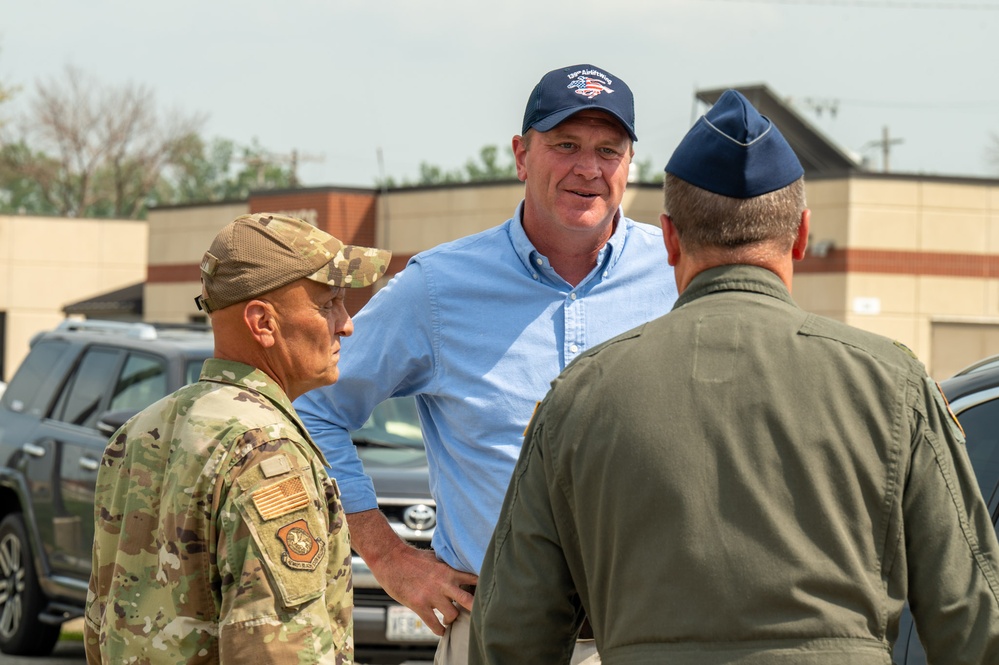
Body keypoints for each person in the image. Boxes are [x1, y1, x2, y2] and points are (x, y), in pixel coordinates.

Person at [469, 90, 999, 664]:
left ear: (669, 239)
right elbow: (972, 620)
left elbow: (513, 635)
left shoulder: (581, 396)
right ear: (800, 233)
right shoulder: (891, 384)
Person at [294, 63, 678, 664]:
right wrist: (390, 559)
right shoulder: (438, 289)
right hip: (497, 638)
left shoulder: (679, 277)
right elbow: (309, 408)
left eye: (609, 149)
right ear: (522, 155)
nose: (589, 168)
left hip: (656, 637)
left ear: (630, 164)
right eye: (566, 145)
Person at [84, 213, 391, 664]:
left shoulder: (140, 431)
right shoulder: (266, 451)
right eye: (329, 305)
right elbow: (276, 650)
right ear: (263, 323)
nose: (346, 324)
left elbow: (100, 622)